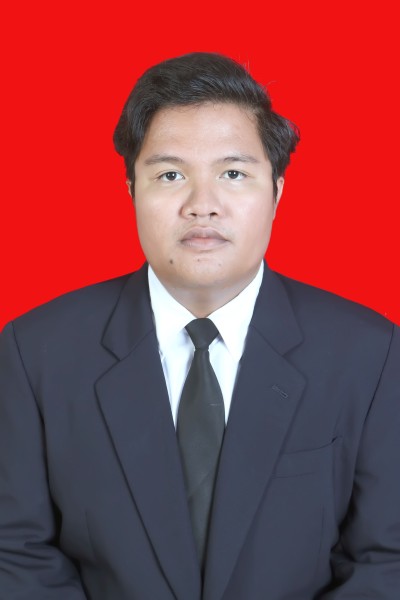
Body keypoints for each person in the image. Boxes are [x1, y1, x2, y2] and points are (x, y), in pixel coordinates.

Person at [0, 52, 399, 600]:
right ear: (131, 190)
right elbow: (16, 551)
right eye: (170, 175)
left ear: (277, 192)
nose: (202, 205)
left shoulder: (370, 354)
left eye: (233, 174)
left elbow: (386, 558)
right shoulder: (36, 352)